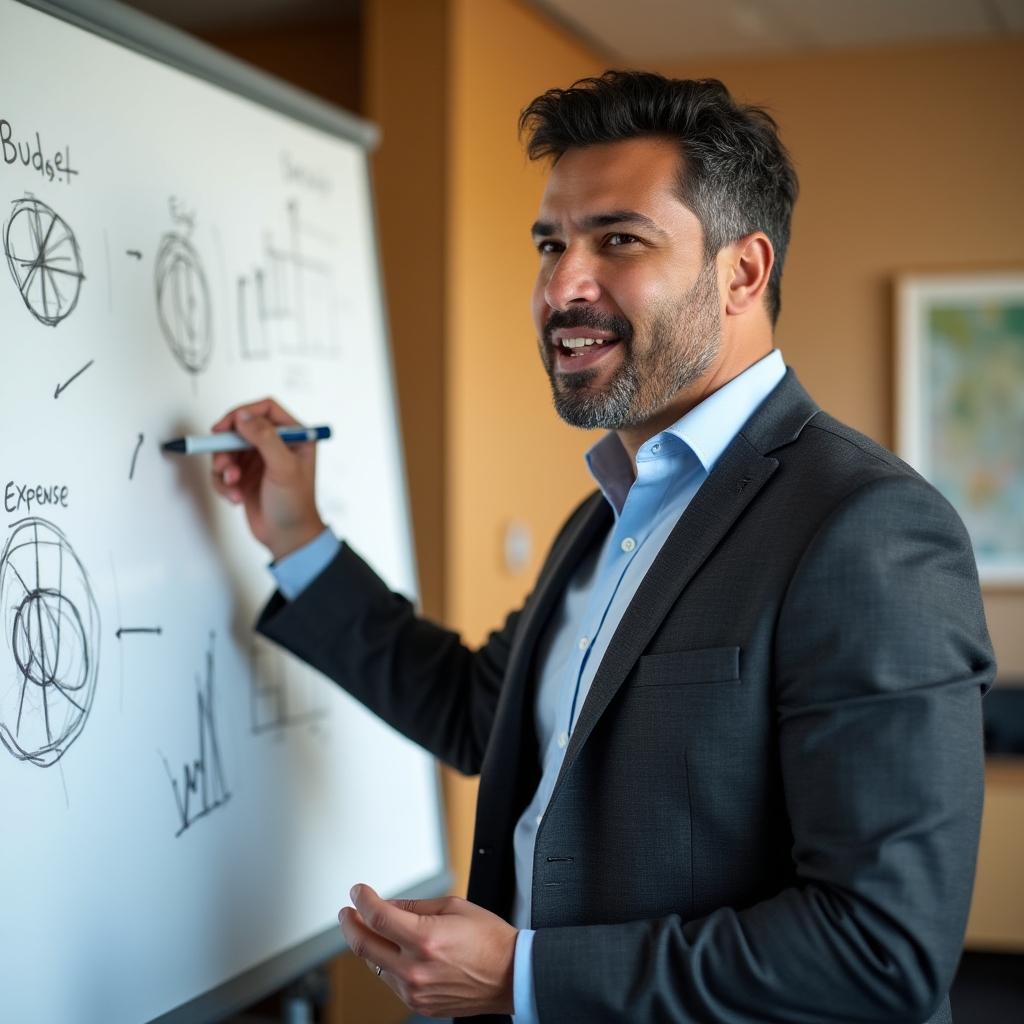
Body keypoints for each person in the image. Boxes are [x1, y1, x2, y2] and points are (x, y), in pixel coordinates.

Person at [211, 72, 993, 1024]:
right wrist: (296, 538)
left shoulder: (866, 528)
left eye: (618, 240)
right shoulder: (611, 512)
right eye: (551, 244)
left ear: (743, 271)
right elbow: (478, 712)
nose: (560, 288)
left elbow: (880, 951)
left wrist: (522, 979)